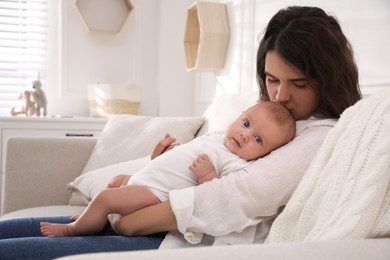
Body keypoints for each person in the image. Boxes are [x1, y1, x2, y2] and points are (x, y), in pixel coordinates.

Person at [0, 6, 362, 259]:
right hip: (144, 205)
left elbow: (242, 193)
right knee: (12, 231)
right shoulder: (264, 113)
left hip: (166, 237)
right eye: (271, 79)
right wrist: (154, 167)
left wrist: (133, 221)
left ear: (326, 79)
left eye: (297, 83)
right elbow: (202, 156)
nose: (280, 95)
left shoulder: (320, 133)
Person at [39, 101, 296, 237]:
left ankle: (72, 230)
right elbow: (181, 160)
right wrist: (166, 154)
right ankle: (93, 220)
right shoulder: (216, 137)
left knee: (107, 198)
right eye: (246, 123)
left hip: (155, 194)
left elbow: (217, 196)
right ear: (239, 116)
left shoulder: (235, 163)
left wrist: (207, 175)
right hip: (144, 179)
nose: (244, 135)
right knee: (116, 181)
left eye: (258, 140)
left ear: (267, 153)